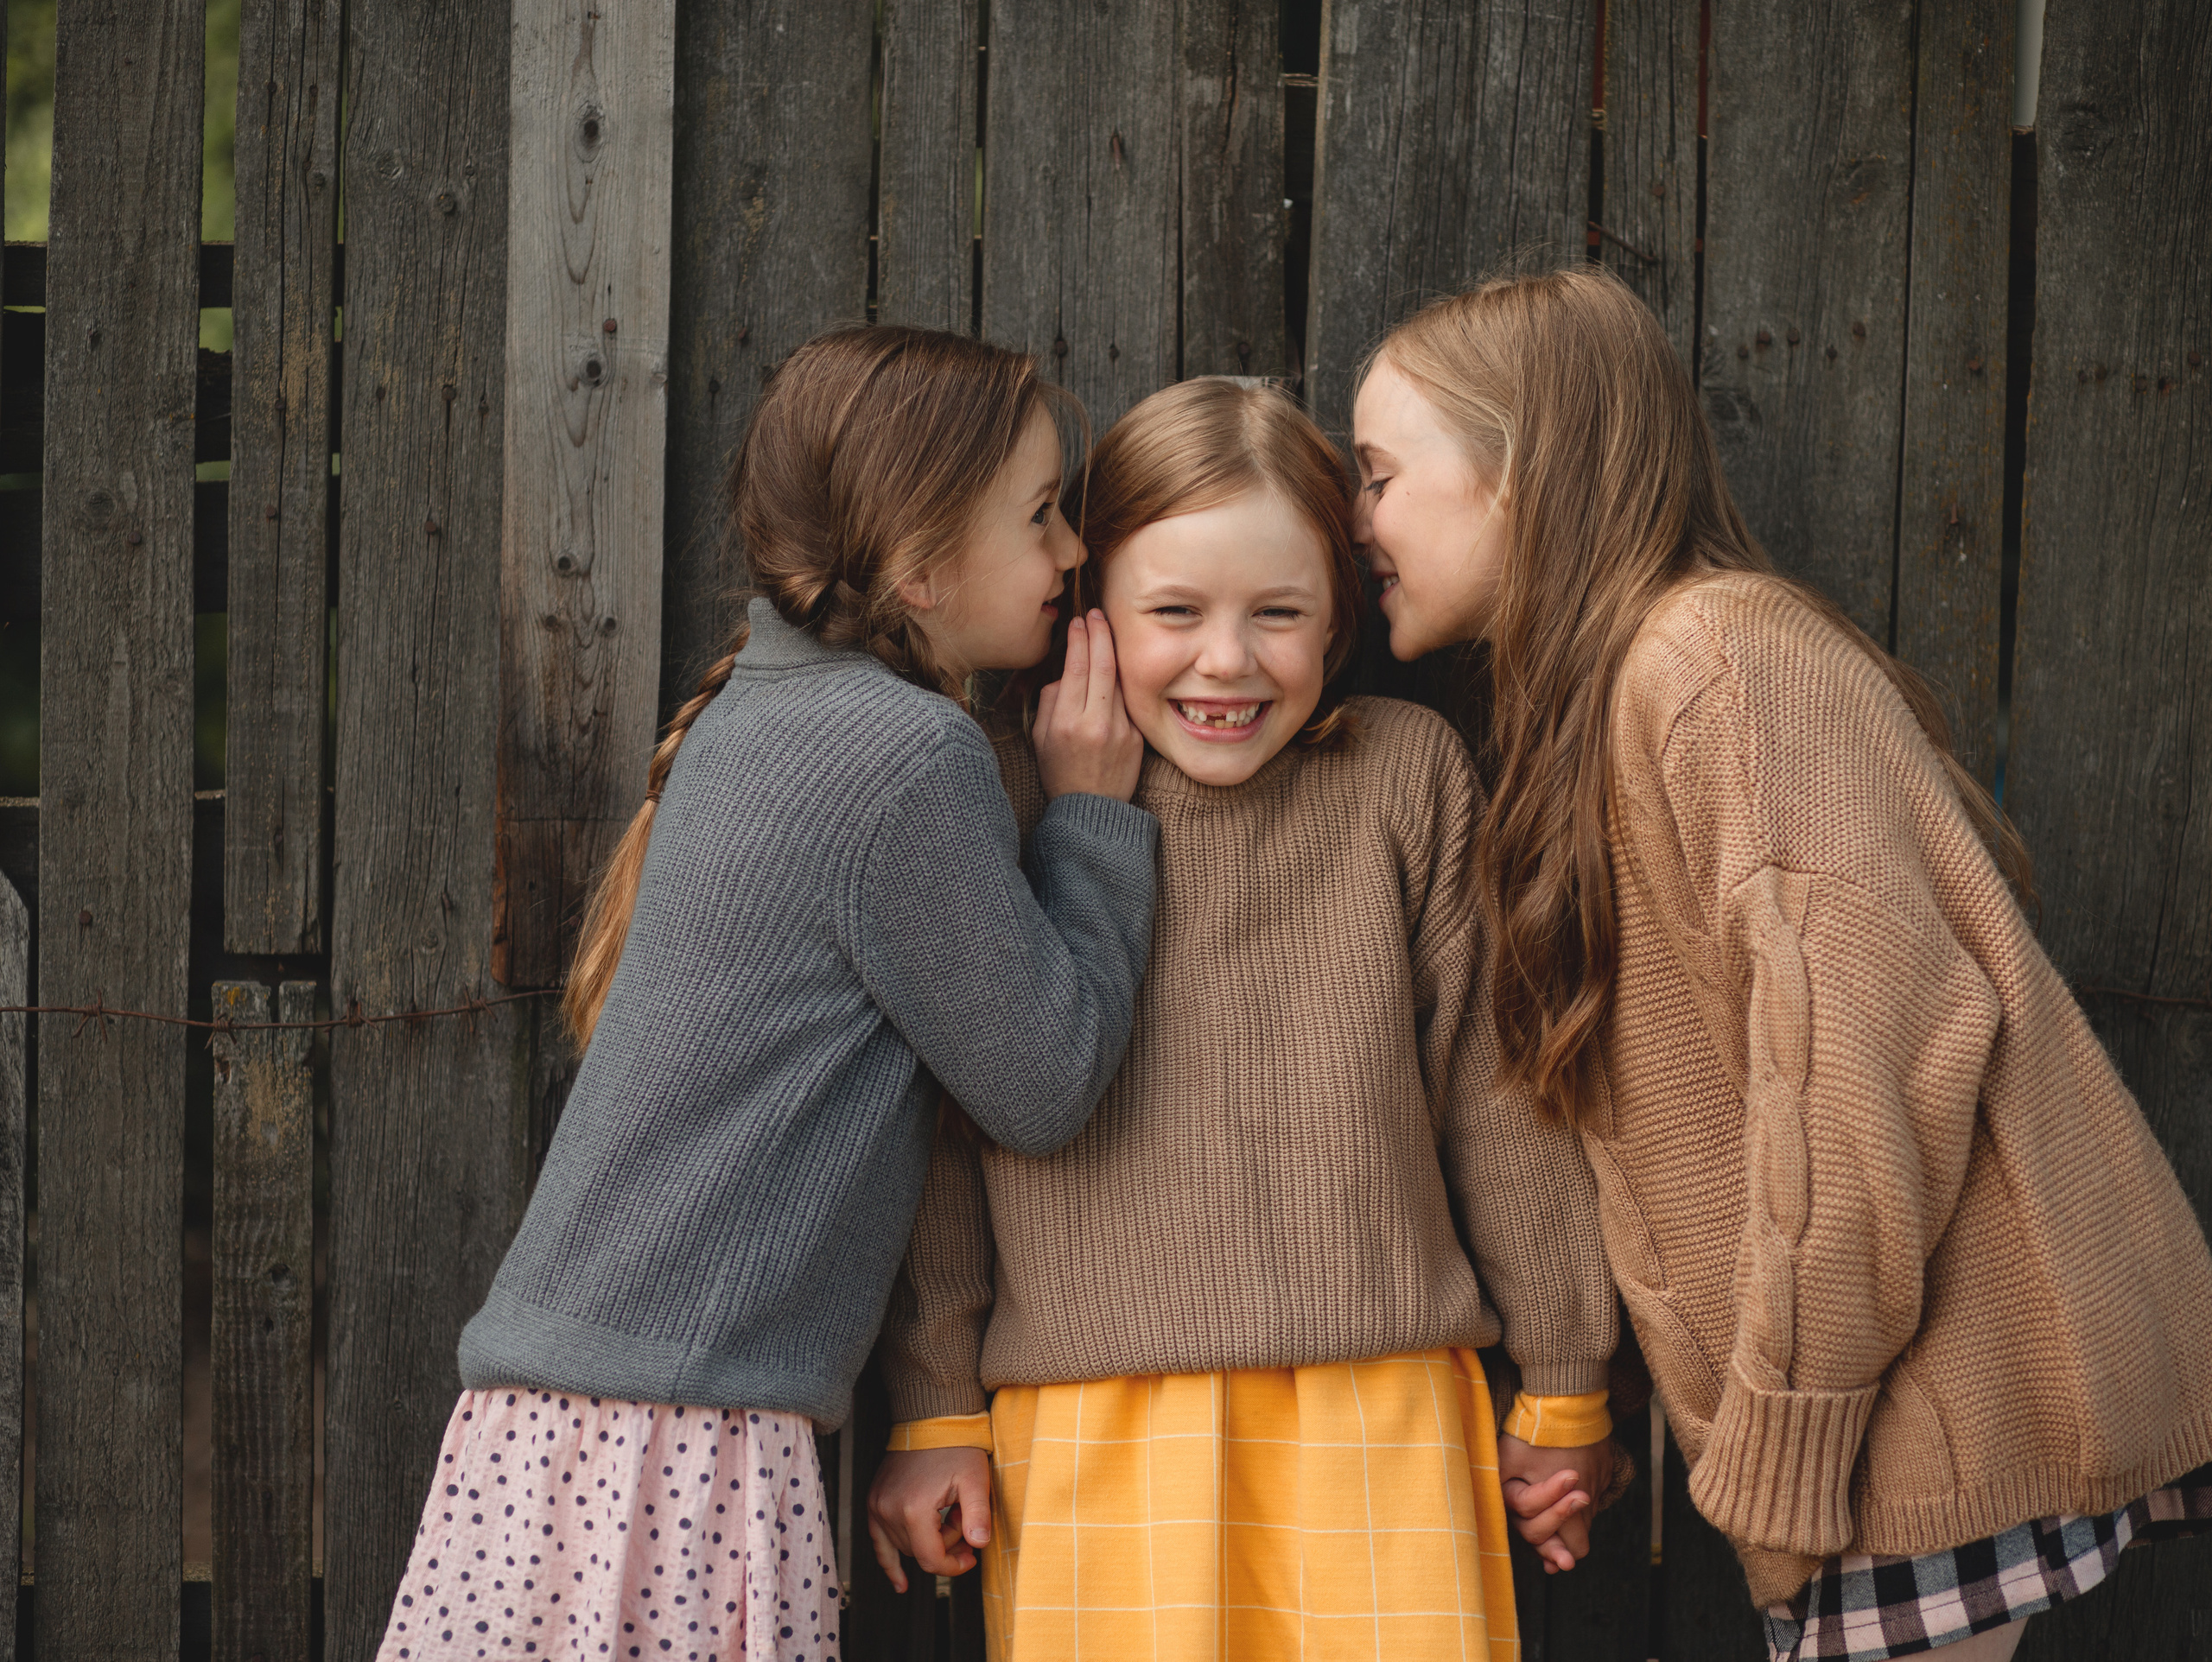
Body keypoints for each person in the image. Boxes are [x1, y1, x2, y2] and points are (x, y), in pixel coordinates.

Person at [1349, 263, 2212, 1662]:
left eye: (1380, 475)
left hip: (1923, 1440)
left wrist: (1785, 1437)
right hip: (1871, 1443)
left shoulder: (1718, 664)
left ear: (1519, 473)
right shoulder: (1615, 699)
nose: (1358, 520)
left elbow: (1856, 1086)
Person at [372, 325, 1161, 1662]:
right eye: (1041, 515)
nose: (1073, 550)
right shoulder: (905, 756)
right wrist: (1089, 816)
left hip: (566, 1431)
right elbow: (1043, 1083)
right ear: (921, 567)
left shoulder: (771, 716)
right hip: (679, 1444)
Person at [866, 377, 1625, 1662]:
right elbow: (940, 1131)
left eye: (1278, 612)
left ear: (1340, 616)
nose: (1227, 660)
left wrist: (1565, 1382)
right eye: (1175, 612)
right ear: (1089, 610)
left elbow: (1499, 1096)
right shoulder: (997, 782)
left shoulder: (1405, 776)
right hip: (1092, 1429)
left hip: (1385, 1412)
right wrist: (935, 1405)